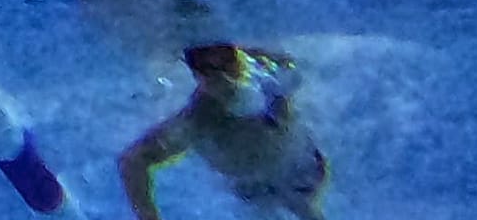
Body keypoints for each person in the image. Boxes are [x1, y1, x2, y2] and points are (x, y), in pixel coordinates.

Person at [119, 42, 328, 220]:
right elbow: (132, 161)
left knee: (305, 207)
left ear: (237, 58)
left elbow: (291, 71)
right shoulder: (197, 119)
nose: (224, 77)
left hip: (301, 168)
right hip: (253, 189)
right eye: (211, 70)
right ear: (198, 75)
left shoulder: (263, 71)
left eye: (229, 61)